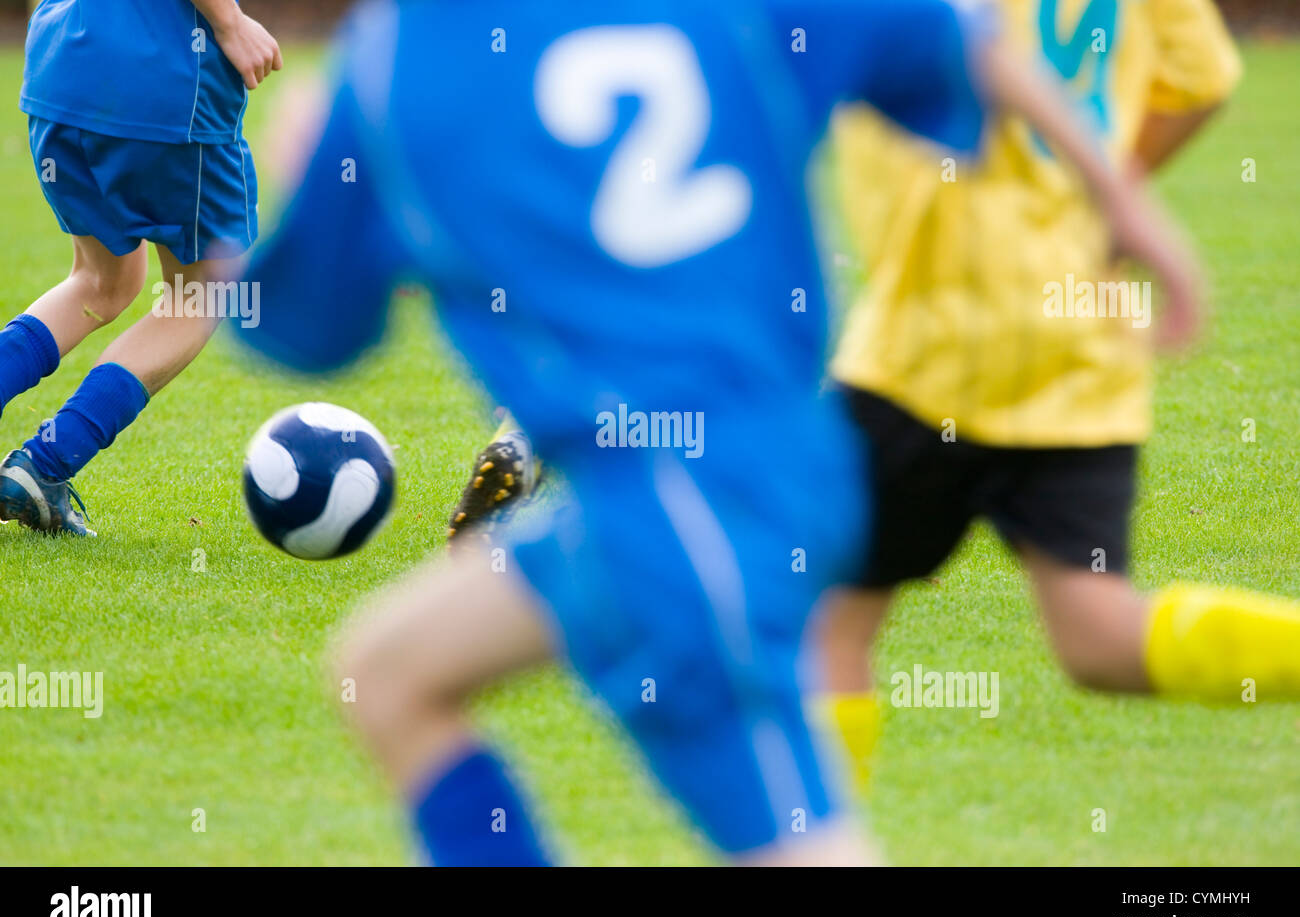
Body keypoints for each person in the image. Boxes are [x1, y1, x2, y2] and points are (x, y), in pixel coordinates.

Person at [236, 0, 1198, 865]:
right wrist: (1125, 206)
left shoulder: (397, 62)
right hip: (760, 468)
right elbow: (962, 39)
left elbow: (309, 337)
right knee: (388, 672)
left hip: (685, 516)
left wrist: (308, 167)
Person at [817, 0, 1300, 795]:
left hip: (937, 334)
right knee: (1100, 637)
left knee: (827, 623)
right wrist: (1109, 202)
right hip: (1081, 331)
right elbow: (1206, 78)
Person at [0, 0, 280, 535]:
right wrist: (229, 21)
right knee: (203, 295)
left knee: (102, 281)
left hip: (60, 69)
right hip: (166, 85)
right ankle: (44, 466)